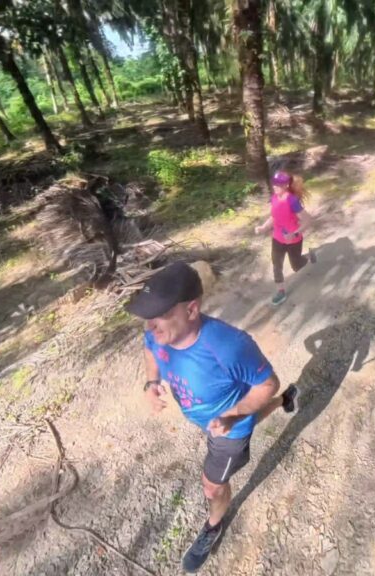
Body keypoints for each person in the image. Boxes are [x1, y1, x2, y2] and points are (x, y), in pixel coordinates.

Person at [126, 262, 298, 573]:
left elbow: (266, 382)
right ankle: (285, 401)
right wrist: (151, 383)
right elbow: (149, 348)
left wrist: (232, 415)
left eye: (161, 316)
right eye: (148, 318)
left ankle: (213, 526)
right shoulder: (158, 332)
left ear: (191, 311)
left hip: (228, 432)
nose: (151, 327)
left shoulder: (229, 345)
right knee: (254, 414)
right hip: (217, 421)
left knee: (212, 486)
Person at [254, 170, 317, 305]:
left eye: (278, 184)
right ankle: (281, 292)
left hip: (293, 240)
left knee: (296, 265)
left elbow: (307, 220)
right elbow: (273, 216)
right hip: (277, 238)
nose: (274, 186)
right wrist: (264, 227)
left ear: (286, 185)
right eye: (274, 183)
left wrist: (294, 233)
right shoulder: (274, 198)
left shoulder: (292, 200)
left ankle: (307, 256)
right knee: (277, 264)